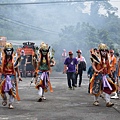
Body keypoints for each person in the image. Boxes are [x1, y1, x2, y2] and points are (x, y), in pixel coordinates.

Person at [0, 42, 22, 109]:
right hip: (4, 75)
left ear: (11, 50)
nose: (9, 52)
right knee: (1, 89)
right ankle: (4, 99)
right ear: (5, 51)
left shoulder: (14, 58)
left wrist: (19, 75)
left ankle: (10, 103)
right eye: (7, 50)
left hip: (12, 75)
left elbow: (16, 67)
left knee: (12, 90)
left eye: (10, 50)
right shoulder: (1, 58)